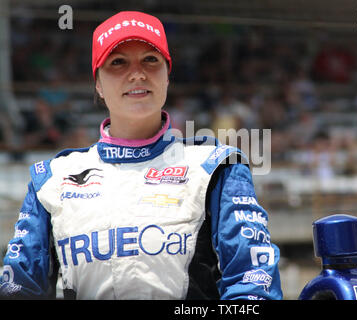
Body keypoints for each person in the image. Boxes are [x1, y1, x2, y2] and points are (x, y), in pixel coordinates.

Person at [0, 11, 282, 300]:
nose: (137, 73)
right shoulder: (52, 178)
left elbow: (251, 285)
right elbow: (19, 289)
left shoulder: (215, 167)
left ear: (167, 75)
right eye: (118, 62)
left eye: (150, 59)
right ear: (97, 83)